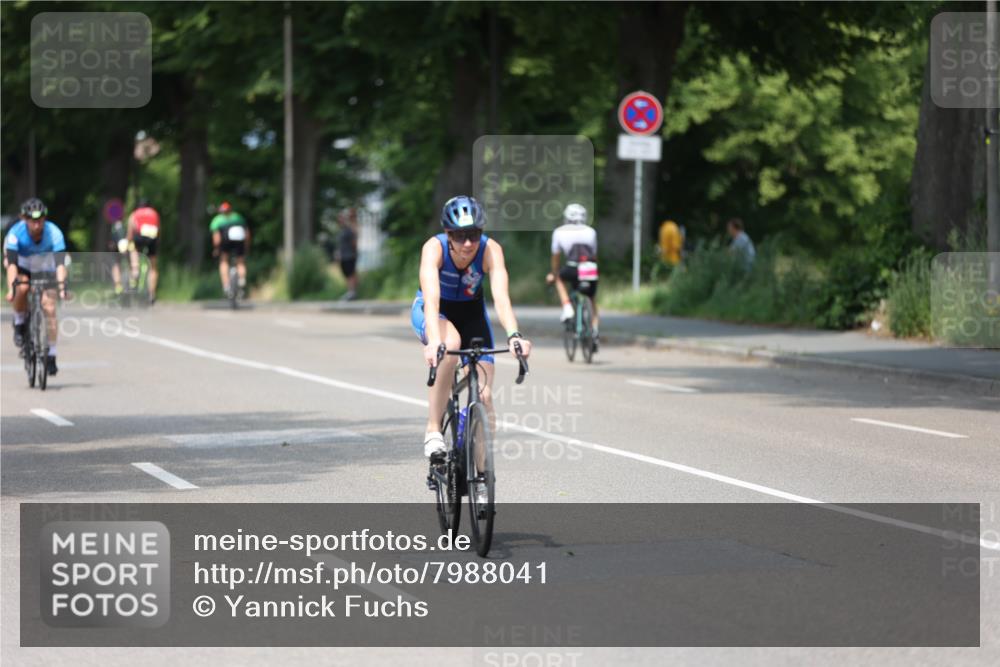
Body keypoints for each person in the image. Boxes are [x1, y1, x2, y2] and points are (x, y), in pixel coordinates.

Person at [412, 195, 532, 462]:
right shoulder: (434, 248)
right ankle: (433, 430)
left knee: (485, 395)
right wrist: (434, 341)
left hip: (471, 313)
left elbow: (501, 298)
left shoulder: (491, 250)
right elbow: (431, 299)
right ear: (448, 233)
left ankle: (481, 479)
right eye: (460, 236)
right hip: (435, 310)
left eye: (474, 234)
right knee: (450, 343)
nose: (468, 244)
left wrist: (514, 335)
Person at [4, 198, 68, 375]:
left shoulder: (54, 232)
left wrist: (62, 288)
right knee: (22, 289)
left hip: (44, 266)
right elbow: (11, 265)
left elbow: (60, 264)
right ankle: (19, 322)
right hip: (23, 264)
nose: (37, 224)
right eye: (33, 220)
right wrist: (11, 289)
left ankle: (52, 355)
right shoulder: (15, 233)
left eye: (40, 220)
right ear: (25, 219)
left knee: (49, 307)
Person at [546, 202, 600, 346]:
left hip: (572, 268)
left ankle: (567, 307)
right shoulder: (591, 232)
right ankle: (594, 330)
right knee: (592, 299)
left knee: (559, 278)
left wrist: (554, 273)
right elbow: (594, 255)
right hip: (589, 268)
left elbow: (556, 257)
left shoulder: (559, 232)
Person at [210, 201, 251, 298]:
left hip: (225, 241)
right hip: (239, 240)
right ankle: (241, 279)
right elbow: (247, 233)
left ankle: (226, 285)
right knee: (240, 261)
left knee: (223, 261)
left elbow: (217, 238)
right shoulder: (238, 217)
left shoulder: (217, 220)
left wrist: (216, 249)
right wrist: (246, 247)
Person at [126, 198, 161, 304]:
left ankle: (135, 271)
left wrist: (128, 244)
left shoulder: (135, 214)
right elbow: (159, 231)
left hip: (139, 237)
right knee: (153, 267)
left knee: (134, 251)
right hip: (152, 239)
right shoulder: (155, 214)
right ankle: (152, 294)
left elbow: (130, 233)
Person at [337, 208, 359, 301]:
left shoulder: (350, 229)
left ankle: (352, 292)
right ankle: (350, 291)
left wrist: (354, 253)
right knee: (347, 274)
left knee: (351, 274)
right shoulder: (342, 230)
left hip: (350, 255)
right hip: (343, 256)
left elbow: (354, 243)